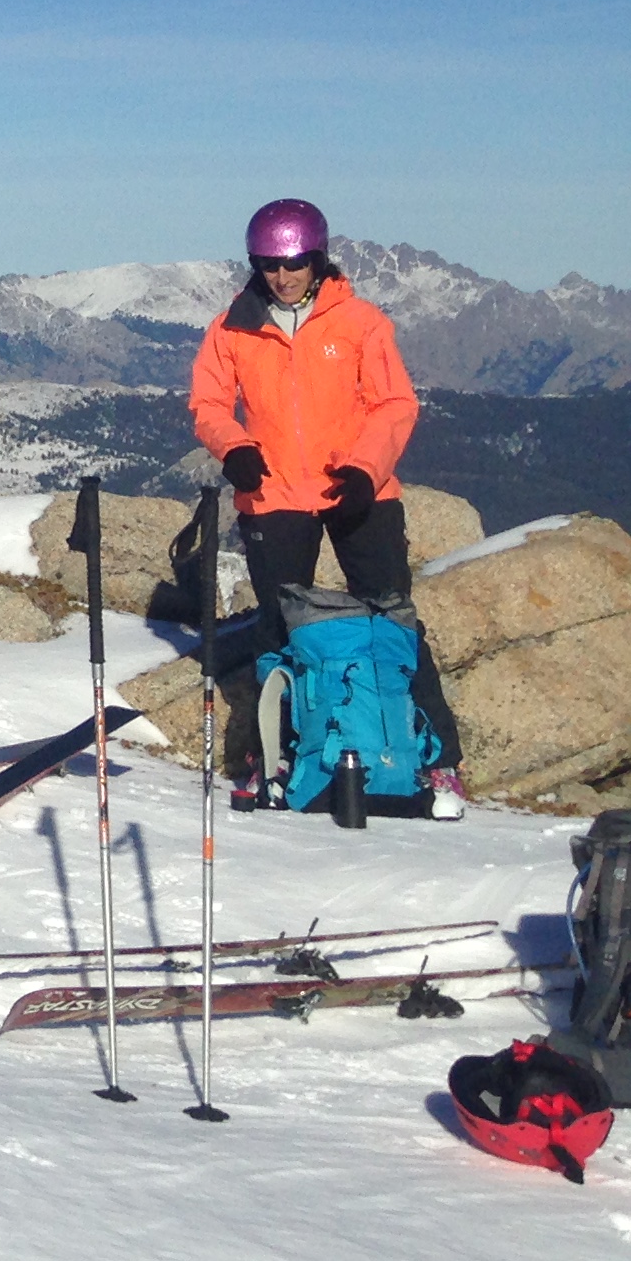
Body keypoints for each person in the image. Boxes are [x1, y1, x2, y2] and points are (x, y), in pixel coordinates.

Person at [188, 197, 468, 814]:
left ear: (317, 258)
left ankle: (435, 759)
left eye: (293, 262)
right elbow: (208, 403)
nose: (281, 276)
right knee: (280, 625)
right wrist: (233, 447)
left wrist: (367, 471)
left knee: (393, 619)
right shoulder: (231, 326)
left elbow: (394, 404)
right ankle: (280, 752)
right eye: (267, 264)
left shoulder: (361, 322)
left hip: (354, 487)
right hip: (274, 488)